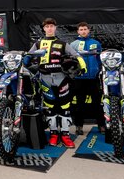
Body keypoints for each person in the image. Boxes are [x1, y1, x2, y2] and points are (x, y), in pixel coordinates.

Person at [28, 17, 87, 148]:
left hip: (62, 78)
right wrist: (26, 60)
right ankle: (54, 134)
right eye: (47, 26)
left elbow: (77, 55)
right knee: (50, 107)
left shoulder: (63, 43)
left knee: (65, 107)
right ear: (43, 29)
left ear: (55, 28)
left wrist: (82, 66)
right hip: (45, 78)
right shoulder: (38, 44)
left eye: (52, 26)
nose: (49, 28)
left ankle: (65, 135)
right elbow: (28, 56)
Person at [70, 22, 104, 135]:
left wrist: (98, 71)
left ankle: (101, 125)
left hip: (93, 79)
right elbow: (72, 62)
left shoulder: (96, 43)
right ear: (78, 31)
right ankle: (79, 126)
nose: (83, 31)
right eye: (81, 29)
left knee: (98, 103)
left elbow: (100, 60)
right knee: (79, 104)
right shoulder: (73, 45)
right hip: (79, 79)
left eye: (85, 29)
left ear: (89, 30)